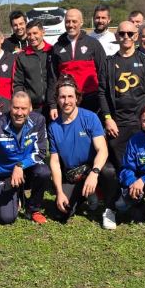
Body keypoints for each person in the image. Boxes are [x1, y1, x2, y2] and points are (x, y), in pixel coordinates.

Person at [48, 76, 118, 229]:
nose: (66, 101)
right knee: (61, 213)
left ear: (77, 97)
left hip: (94, 168)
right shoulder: (53, 127)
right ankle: (85, 195)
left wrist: (94, 172)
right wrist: (59, 192)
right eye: (62, 97)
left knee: (109, 171)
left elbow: (102, 149)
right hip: (74, 174)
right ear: (57, 99)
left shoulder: (90, 117)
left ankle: (109, 209)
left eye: (70, 96)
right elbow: (54, 162)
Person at [0, 91, 50, 225]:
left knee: (43, 172)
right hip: (3, 173)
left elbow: (41, 152)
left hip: (24, 169)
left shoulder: (39, 121)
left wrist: (20, 165)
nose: (19, 113)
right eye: (16, 108)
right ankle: (13, 193)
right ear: (10, 107)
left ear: (30, 109)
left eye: (23, 108)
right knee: (7, 218)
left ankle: (33, 209)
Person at [97, 19, 145, 167]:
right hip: (116, 122)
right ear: (117, 36)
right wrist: (107, 118)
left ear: (136, 36)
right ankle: (123, 188)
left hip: (139, 121)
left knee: (142, 160)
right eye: (122, 33)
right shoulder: (108, 63)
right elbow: (102, 93)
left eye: (130, 33)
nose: (126, 36)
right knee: (121, 162)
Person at [46, 8, 107, 119]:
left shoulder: (93, 44)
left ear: (81, 22)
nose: (70, 25)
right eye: (68, 22)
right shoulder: (57, 47)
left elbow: (103, 72)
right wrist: (52, 104)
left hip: (91, 100)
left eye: (74, 21)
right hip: (67, 101)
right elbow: (52, 78)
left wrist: (104, 101)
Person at [13, 20, 51, 112]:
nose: (32, 37)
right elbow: (18, 84)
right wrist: (23, 104)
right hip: (32, 108)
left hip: (52, 106)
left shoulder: (52, 52)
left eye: (35, 33)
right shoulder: (22, 56)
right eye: (29, 34)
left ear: (43, 32)